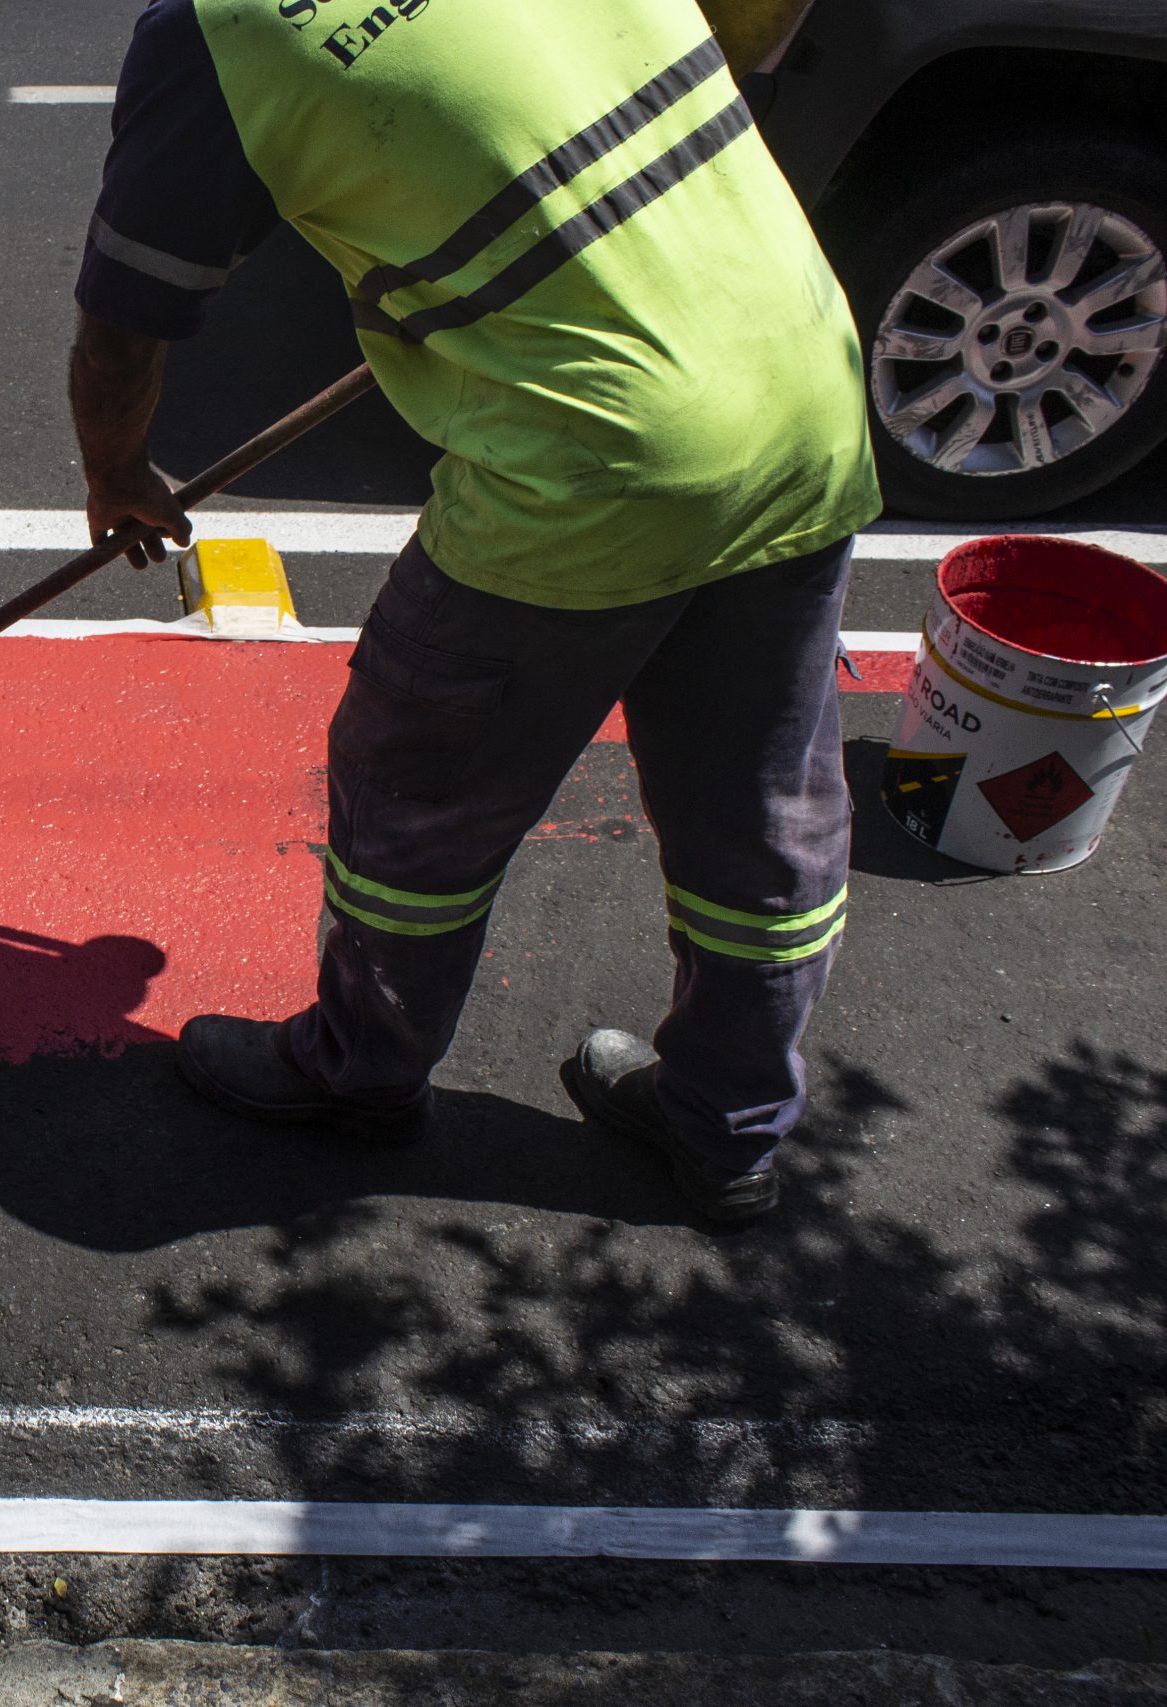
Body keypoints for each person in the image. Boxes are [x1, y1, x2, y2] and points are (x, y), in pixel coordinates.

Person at [69, 0, 879, 1223]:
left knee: (414, 794)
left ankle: (361, 1073)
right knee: (759, 809)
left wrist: (115, 476)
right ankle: (729, 1127)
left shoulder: (218, 31)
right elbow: (739, 36)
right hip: (799, 386)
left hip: (598, 469)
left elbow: (132, 313)